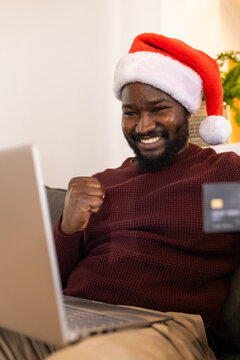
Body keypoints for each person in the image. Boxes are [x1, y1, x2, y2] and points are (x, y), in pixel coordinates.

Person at [0, 33, 239, 360]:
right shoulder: (101, 184)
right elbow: (47, 284)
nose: (143, 126)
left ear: (186, 110)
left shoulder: (219, 173)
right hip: (69, 315)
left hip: (159, 328)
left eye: (158, 109)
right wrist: (68, 228)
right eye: (130, 113)